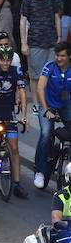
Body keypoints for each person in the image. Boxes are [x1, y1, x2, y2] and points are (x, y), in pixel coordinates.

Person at [0, 46, 27, 198]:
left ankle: (17, 184)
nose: (6, 64)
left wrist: (25, 116)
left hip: (9, 111)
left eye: (8, 61)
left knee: (14, 148)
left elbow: (22, 93)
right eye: (3, 60)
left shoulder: (16, 72)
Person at [34, 42, 71, 189]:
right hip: (48, 105)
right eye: (57, 55)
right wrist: (46, 109)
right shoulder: (50, 66)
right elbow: (40, 88)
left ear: (69, 56)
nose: (59, 58)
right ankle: (40, 172)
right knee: (45, 133)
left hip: (65, 105)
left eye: (62, 56)